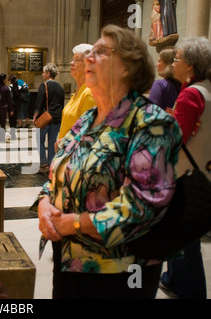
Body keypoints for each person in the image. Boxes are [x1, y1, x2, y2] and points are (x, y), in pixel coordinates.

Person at [36, 24, 182, 299]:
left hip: (120, 269)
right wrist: (44, 204)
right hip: (69, 257)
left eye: (101, 52)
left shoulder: (150, 123)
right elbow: (60, 173)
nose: (89, 57)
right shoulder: (87, 120)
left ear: (127, 67)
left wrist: (74, 223)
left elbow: (144, 203)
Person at [159, 36, 211, 300]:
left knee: (184, 235)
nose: (173, 64)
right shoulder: (206, 89)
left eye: (177, 59)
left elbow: (174, 139)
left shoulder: (190, 93)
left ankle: (191, 290)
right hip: (204, 170)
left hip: (184, 174)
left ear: (190, 66)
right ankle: (174, 279)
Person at [56, 44, 96, 146]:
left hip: (76, 157)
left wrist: (66, 141)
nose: (71, 63)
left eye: (76, 60)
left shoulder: (89, 93)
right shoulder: (78, 91)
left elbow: (90, 132)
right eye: (72, 59)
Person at [34, 63, 64, 174]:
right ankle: (51, 164)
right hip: (57, 118)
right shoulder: (60, 87)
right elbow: (61, 104)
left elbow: (39, 102)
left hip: (45, 118)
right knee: (52, 142)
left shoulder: (44, 85)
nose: (42, 74)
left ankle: (43, 164)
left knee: (39, 140)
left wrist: (35, 116)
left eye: (43, 72)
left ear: (48, 73)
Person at [0, 73, 14, 141]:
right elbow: (9, 100)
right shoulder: (6, 88)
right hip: (3, 107)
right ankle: (1, 136)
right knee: (2, 122)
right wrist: (11, 109)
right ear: (3, 80)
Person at [8, 75, 21, 140]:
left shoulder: (10, 87)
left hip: (11, 106)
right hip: (17, 105)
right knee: (14, 120)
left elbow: (10, 97)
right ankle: (13, 133)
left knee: (11, 120)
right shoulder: (18, 87)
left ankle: (12, 134)